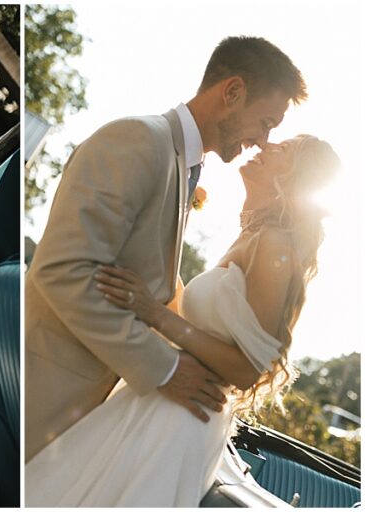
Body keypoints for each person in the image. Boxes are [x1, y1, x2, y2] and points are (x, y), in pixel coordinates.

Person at [24, 35, 307, 463]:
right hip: (45, 390)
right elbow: (62, 271)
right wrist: (166, 368)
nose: (263, 140)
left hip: (89, 410)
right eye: (265, 122)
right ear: (232, 92)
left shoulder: (182, 163)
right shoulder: (138, 140)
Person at [25, 135, 339, 506]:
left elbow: (248, 370)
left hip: (184, 417)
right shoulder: (253, 234)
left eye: (282, 150)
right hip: (163, 397)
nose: (265, 146)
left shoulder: (273, 245)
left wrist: (152, 312)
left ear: (295, 178)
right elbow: (195, 322)